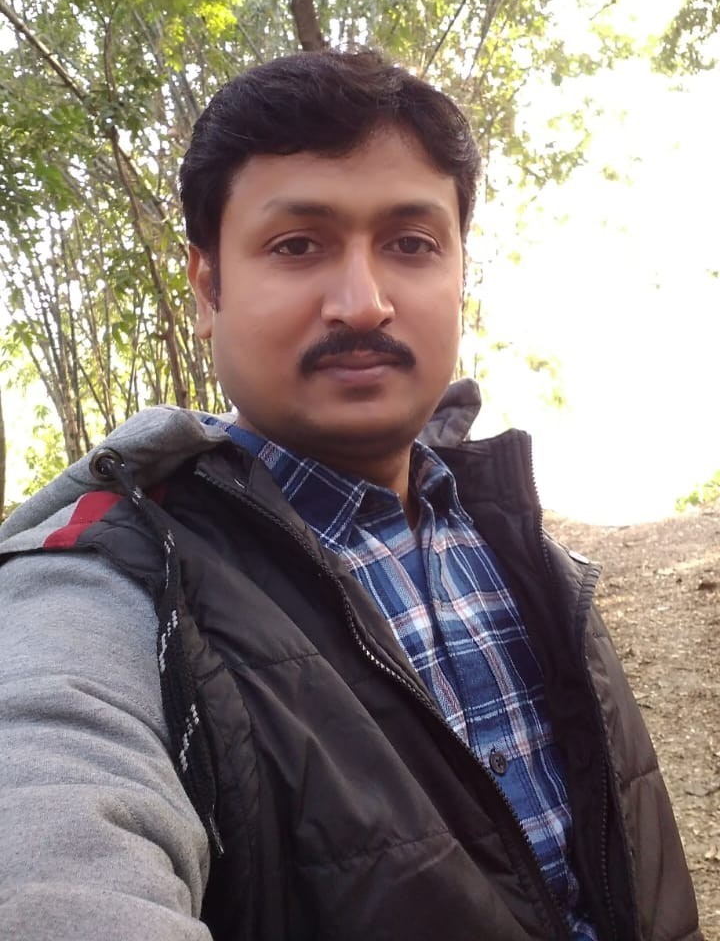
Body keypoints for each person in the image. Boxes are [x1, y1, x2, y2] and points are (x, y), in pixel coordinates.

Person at [0, 49, 700, 941]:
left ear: (459, 273)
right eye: (298, 246)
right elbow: (50, 837)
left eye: (412, 244)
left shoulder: (520, 548)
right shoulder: (112, 587)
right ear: (208, 289)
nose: (364, 303)